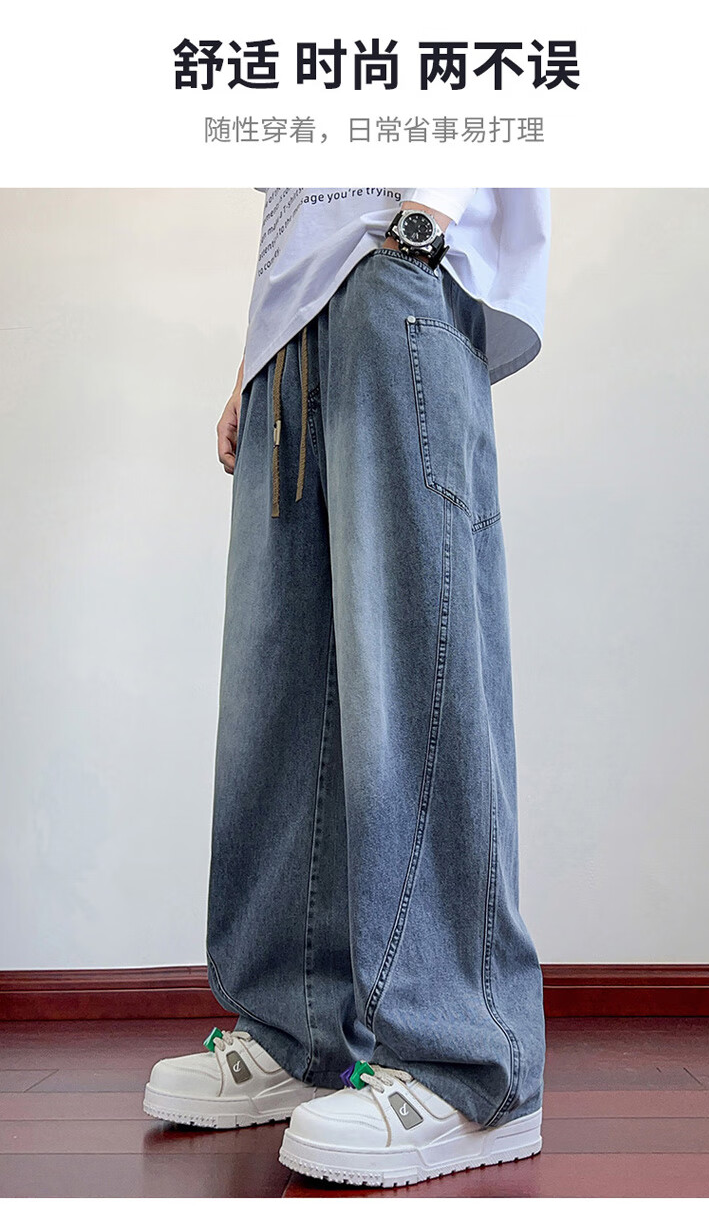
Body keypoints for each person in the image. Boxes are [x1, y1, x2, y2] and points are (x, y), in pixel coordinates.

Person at [144, 187, 551, 1188]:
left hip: (397, 268)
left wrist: (423, 221)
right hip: (293, 323)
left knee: (413, 670)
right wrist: (259, 346)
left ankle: (471, 1065)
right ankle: (300, 1031)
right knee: (279, 692)